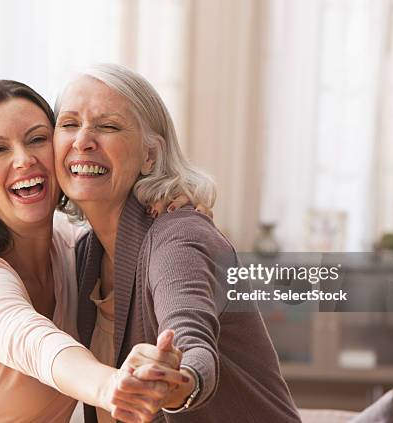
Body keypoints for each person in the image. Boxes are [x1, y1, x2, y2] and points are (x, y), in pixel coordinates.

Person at [0, 79, 191, 423]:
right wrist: (112, 385)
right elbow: (36, 345)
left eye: (37, 139)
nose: (24, 160)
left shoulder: (74, 249)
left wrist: (167, 197)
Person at [53, 64, 302, 422]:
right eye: (69, 124)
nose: (83, 140)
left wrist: (179, 378)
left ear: (150, 155)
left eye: (107, 126)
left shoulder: (178, 236)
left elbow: (190, 339)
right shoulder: (83, 253)